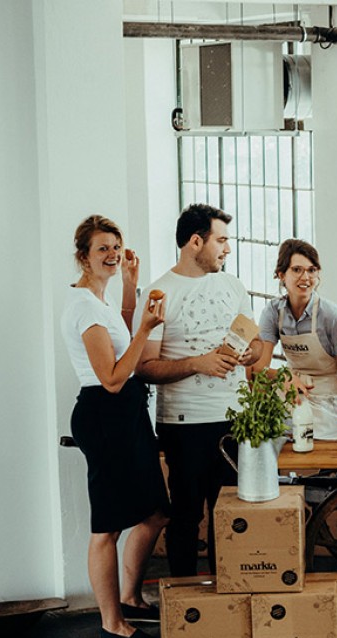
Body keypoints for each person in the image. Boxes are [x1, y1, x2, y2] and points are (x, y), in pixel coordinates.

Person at [135, 204, 263, 577]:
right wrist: (197, 363)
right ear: (195, 241)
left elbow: (254, 346)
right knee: (187, 517)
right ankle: (187, 608)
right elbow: (144, 368)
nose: (227, 248)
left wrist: (247, 353)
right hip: (184, 424)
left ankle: (231, 600)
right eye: (221, 240)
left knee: (232, 518)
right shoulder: (160, 293)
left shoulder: (233, 286)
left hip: (235, 421)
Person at [61, 215, 170, 638]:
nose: (111, 254)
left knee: (156, 512)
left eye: (116, 246)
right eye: (102, 248)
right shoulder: (83, 307)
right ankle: (112, 625)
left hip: (125, 414)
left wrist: (130, 287)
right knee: (106, 526)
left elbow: (120, 337)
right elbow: (111, 376)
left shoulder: (99, 299)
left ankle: (129, 597)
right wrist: (146, 328)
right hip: (105, 414)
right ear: (83, 256)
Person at [251, 239, 337, 440]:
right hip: (290, 396)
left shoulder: (332, 316)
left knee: (307, 450)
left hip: (327, 403)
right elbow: (258, 369)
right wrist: (285, 376)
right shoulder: (273, 312)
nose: (305, 277)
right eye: (297, 270)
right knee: (269, 441)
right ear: (281, 275)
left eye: (312, 270)